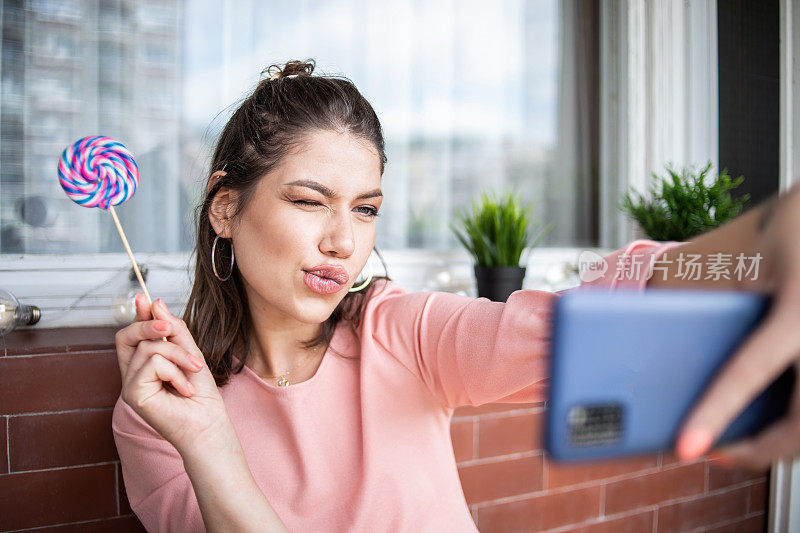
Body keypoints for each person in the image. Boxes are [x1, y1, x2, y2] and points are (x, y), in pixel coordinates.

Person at [112, 59, 800, 532]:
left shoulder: (399, 331)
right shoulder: (161, 408)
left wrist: (753, 253)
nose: (342, 241)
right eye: (308, 200)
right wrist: (206, 437)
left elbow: (589, 322)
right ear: (225, 208)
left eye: (364, 208)